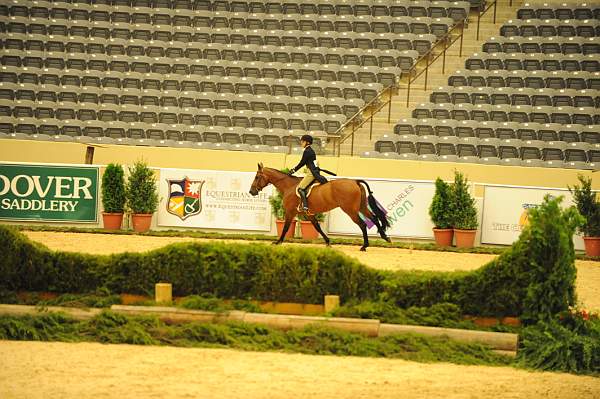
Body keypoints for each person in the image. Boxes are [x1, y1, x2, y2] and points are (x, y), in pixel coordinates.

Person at [288, 134, 327, 212]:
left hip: (311, 173)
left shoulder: (307, 151)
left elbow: (302, 163)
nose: (301, 143)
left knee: (300, 188)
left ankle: (305, 206)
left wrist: (293, 170)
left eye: (302, 141)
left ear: (307, 142)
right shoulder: (310, 150)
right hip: (312, 171)